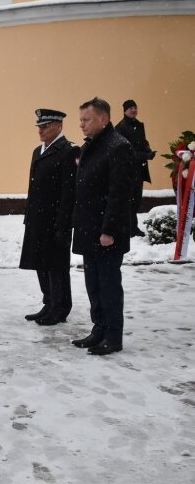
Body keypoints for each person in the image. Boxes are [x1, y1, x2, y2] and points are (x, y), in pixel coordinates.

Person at [71, 97, 134, 356]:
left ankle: (112, 336)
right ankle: (98, 329)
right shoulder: (92, 146)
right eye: (81, 120)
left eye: (86, 120)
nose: (82, 125)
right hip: (89, 229)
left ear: (103, 119)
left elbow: (119, 194)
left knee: (108, 284)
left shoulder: (118, 147)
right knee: (93, 283)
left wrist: (108, 230)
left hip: (106, 233)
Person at [19, 109, 80, 326]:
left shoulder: (69, 151)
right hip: (38, 219)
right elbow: (34, 187)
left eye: (45, 126)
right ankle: (49, 302)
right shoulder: (38, 151)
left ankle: (60, 307)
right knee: (40, 263)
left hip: (56, 220)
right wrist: (29, 215)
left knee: (56, 266)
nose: (41, 130)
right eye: (39, 127)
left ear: (59, 126)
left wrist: (64, 224)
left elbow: (68, 192)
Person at [115, 99, 155, 237]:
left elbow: (143, 141)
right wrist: (145, 155)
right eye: (130, 108)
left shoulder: (139, 125)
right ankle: (128, 228)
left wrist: (148, 150)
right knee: (129, 200)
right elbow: (125, 152)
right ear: (125, 110)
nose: (133, 110)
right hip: (127, 170)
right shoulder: (120, 128)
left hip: (139, 168)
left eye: (135, 107)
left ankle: (133, 227)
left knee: (136, 199)